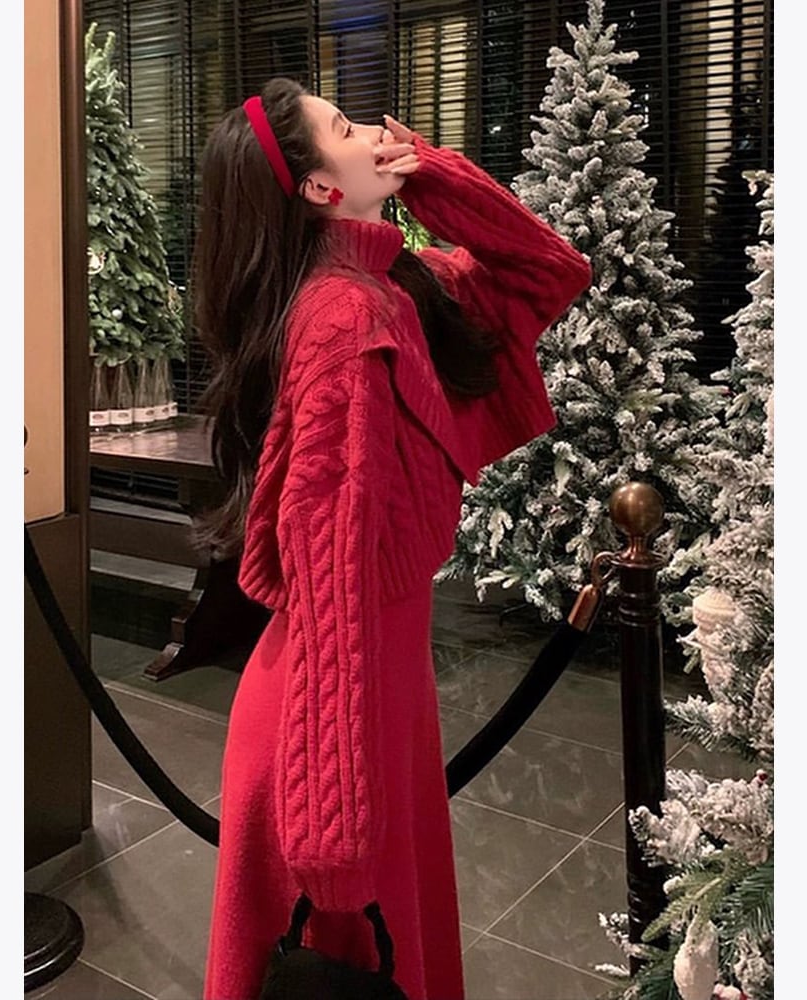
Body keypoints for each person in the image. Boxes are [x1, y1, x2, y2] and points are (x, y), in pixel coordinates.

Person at [193, 76, 591, 1000]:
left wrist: (432, 176)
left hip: (372, 689)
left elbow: (550, 271)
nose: (375, 128)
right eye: (346, 125)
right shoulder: (346, 320)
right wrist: (331, 834)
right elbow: (328, 574)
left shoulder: (392, 283)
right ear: (319, 188)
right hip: (335, 710)